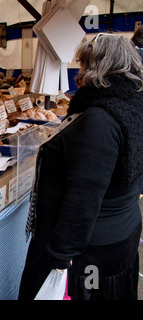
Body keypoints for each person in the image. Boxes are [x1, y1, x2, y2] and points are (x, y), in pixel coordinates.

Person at [18, 33, 143, 300]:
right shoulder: (133, 103)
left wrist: (61, 255)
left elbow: (83, 196)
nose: (80, 71)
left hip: (90, 250)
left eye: (85, 63)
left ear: (98, 66)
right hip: (121, 232)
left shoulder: (100, 119)